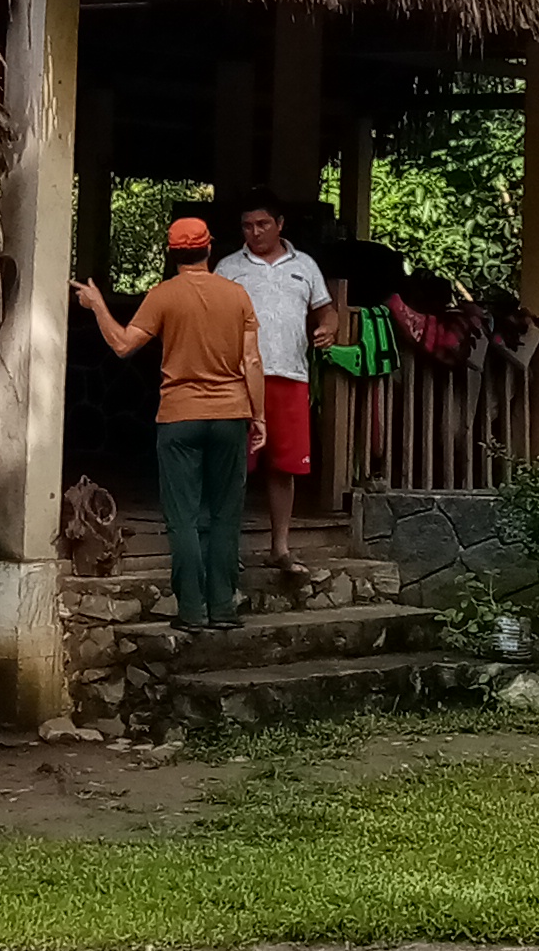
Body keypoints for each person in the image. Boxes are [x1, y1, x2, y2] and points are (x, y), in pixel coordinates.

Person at [74, 215, 262, 629]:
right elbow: (251, 361)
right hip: (230, 414)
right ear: (210, 249)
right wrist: (258, 415)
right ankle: (224, 609)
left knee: (183, 516)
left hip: (178, 417)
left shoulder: (163, 296)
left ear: (172, 253)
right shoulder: (238, 296)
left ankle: (191, 612)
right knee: (225, 515)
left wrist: (97, 305)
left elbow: (123, 345)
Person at [223, 199, 340, 579]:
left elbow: (326, 310)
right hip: (239, 378)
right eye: (247, 225)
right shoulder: (228, 268)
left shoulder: (305, 266)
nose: (255, 232)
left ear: (280, 224)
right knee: (233, 465)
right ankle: (227, 548)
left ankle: (280, 548)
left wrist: (329, 327)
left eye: (262, 224)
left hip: (291, 376)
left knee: (283, 467)